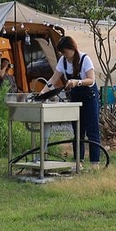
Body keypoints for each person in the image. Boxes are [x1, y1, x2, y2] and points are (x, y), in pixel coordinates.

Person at [38, 35, 101, 167]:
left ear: (72, 49)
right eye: (62, 53)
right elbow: (54, 79)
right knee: (78, 130)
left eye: (65, 52)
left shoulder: (85, 59)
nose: (64, 55)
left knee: (92, 130)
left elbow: (91, 80)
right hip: (75, 97)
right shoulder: (63, 61)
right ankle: (79, 161)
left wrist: (77, 82)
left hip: (89, 96)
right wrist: (43, 92)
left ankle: (95, 162)